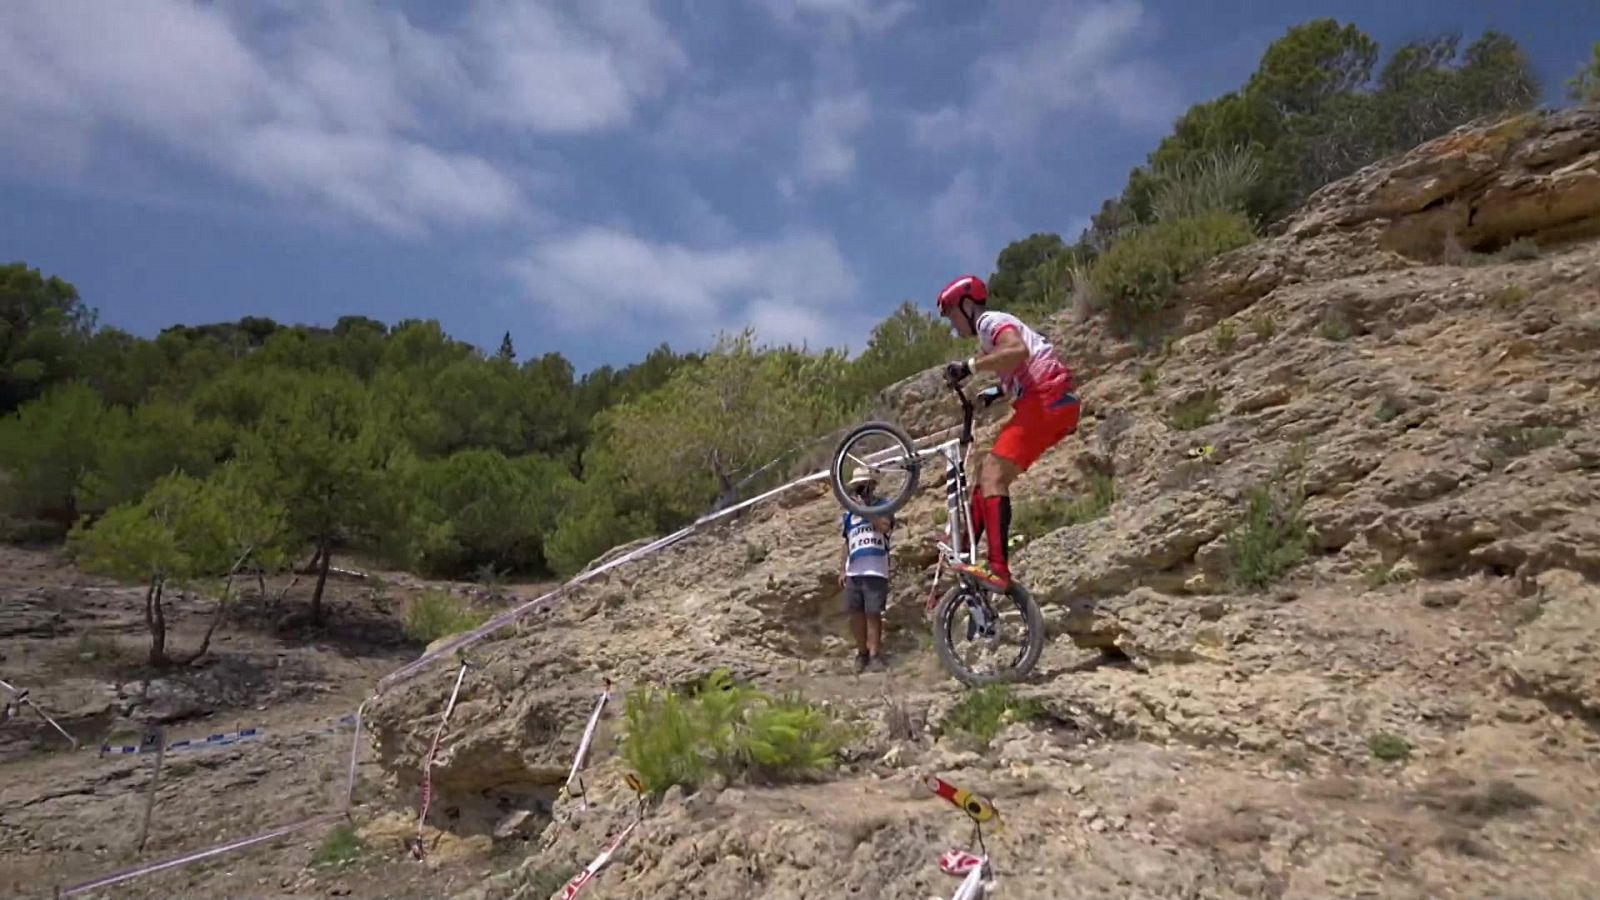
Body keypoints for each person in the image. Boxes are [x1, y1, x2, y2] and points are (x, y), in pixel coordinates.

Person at [936, 273, 1080, 592]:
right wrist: (996, 392)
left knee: (992, 475)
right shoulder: (991, 336)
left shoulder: (989, 321)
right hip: (1055, 405)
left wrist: (970, 367)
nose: (952, 325)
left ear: (968, 305)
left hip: (1045, 399)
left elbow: (1017, 351)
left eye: (952, 315)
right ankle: (966, 550)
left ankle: (998, 568)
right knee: (987, 476)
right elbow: (1019, 364)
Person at [839, 467, 895, 671]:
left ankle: (875, 654)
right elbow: (846, 541)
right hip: (854, 570)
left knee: (873, 613)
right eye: (858, 488)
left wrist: (867, 511)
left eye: (865, 486)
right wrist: (842, 569)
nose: (861, 491)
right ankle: (861, 653)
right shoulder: (849, 515)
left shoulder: (884, 506)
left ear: (872, 486)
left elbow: (884, 527)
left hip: (876, 569)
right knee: (855, 613)